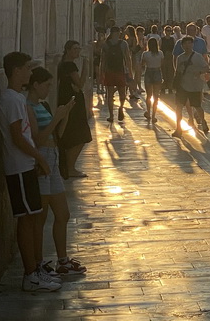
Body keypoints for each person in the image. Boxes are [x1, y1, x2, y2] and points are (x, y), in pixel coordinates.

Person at [0, 52, 60, 292]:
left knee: (34, 216)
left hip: (26, 165)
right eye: (26, 68)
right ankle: (30, 275)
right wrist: (39, 158)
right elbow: (17, 136)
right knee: (26, 220)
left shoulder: (16, 98)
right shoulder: (11, 99)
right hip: (19, 166)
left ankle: (37, 267)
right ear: (15, 71)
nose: (30, 72)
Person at [26, 67, 86, 277]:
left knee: (63, 214)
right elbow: (38, 139)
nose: (49, 89)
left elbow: (57, 134)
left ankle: (62, 260)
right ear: (36, 85)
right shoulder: (28, 108)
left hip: (52, 160)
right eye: (47, 85)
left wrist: (65, 115)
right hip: (41, 162)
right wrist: (56, 118)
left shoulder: (43, 105)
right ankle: (38, 263)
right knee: (40, 218)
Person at [56, 40, 92, 178]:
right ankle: (70, 168)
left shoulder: (63, 64)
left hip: (68, 100)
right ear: (68, 50)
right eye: (75, 49)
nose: (78, 51)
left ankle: (69, 166)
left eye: (79, 48)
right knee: (80, 134)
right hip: (73, 103)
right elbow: (80, 83)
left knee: (71, 133)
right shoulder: (69, 65)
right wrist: (86, 67)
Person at [172, 35, 210, 136]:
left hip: (195, 86)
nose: (187, 45)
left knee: (197, 106)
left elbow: (207, 67)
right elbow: (177, 71)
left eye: (189, 43)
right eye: (185, 44)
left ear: (192, 44)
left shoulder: (197, 56)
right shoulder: (180, 58)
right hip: (182, 85)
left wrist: (199, 72)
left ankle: (203, 122)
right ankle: (178, 128)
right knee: (179, 107)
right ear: (182, 46)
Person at [100, 27, 132, 124]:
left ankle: (111, 115)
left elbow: (103, 60)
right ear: (118, 33)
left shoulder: (106, 44)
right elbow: (127, 58)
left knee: (110, 95)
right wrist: (130, 71)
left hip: (109, 71)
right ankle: (121, 108)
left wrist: (102, 72)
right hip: (120, 71)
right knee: (122, 93)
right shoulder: (123, 44)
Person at [141, 37, 164, 122]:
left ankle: (148, 111)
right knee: (156, 95)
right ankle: (154, 115)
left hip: (149, 72)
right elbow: (162, 64)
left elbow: (142, 64)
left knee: (149, 95)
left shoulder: (145, 54)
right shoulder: (160, 53)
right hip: (157, 71)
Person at [160, 25, 176, 94]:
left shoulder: (172, 39)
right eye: (167, 31)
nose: (168, 32)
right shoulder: (162, 39)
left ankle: (170, 88)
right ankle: (163, 87)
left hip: (170, 58)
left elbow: (174, 49)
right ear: (165, 31)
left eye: (170, 31)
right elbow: (160, 48)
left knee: (170, 73)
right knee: (164, 73)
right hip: (164, 57)